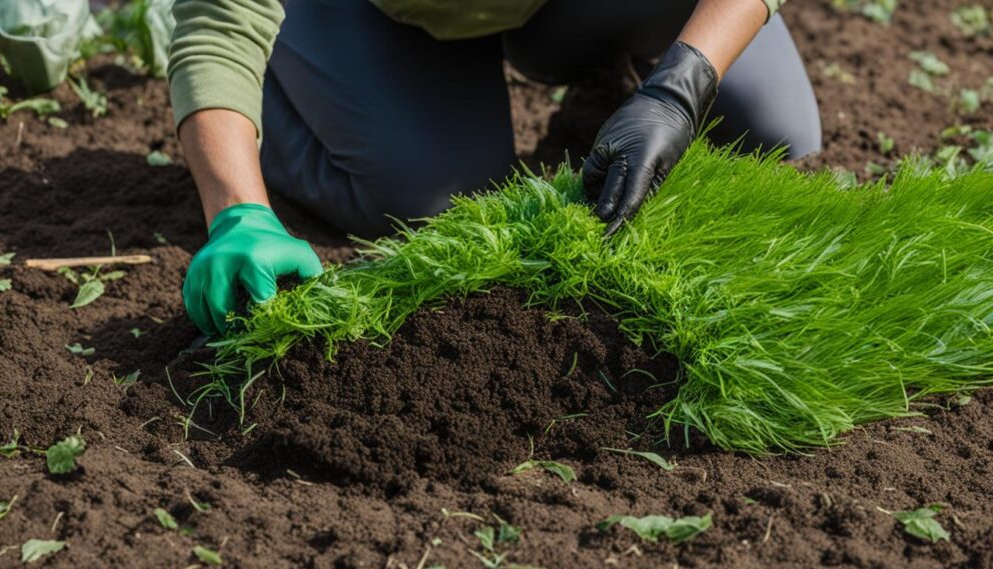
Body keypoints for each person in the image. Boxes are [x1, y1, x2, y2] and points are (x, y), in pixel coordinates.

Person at [172, 0, 822, 335]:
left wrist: (681, 85)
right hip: (380, 14)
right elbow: (219, 22)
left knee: (775, 127)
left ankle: (593, 66)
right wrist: (237, 209)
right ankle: (292, 90)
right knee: (425, 192)